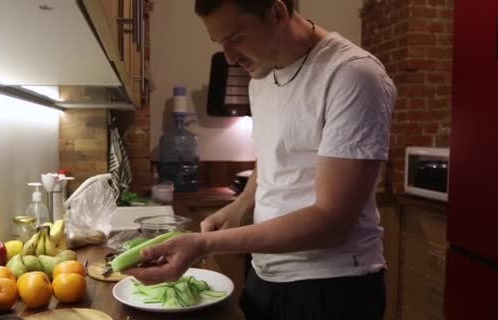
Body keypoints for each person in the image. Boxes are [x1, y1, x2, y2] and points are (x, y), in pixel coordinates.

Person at [125, 0, 396, 319]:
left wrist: (203, 245)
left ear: (277, 13)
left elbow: (331, 221)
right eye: (220, 43)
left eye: (236, 37)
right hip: (264, 275)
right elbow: (270, 159)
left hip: (330, 288)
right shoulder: (260, 77)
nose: (229, 56)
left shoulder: (352, 75)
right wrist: (238, 207)